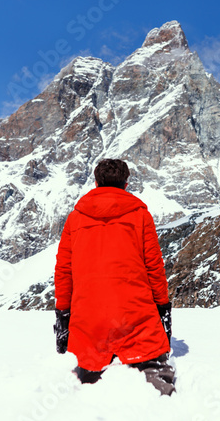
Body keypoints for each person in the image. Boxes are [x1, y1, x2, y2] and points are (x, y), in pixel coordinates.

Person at [54, 158, 175, 395]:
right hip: (136, 316)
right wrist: (163, 308)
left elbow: (64, 271)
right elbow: (154, 267)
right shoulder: (140, 215)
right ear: (126, 184)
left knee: (84, 385)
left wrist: (63, 315)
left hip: (88, 321)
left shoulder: (75, 218)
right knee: (159, 380)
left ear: (96, 183)